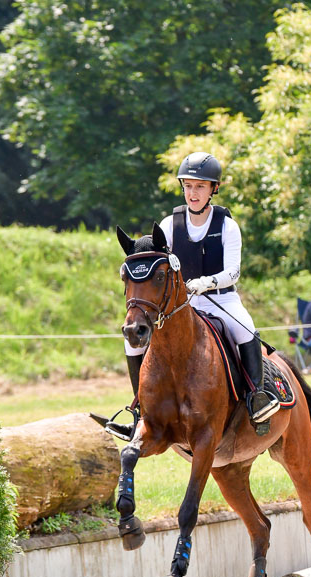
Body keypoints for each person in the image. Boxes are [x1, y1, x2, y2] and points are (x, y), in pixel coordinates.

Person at [110, 151, 280, 439]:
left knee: (245, 330)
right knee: (133, 344)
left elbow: (234, 272)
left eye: (200, 186)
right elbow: (154, 257)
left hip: (222, 298)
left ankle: (257, 397)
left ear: (214, 188)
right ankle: (138, 412)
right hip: (181, 304)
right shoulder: (169, 224)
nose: (193, 193)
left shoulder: (227, 225)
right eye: (188, 186)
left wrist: (207, 282)